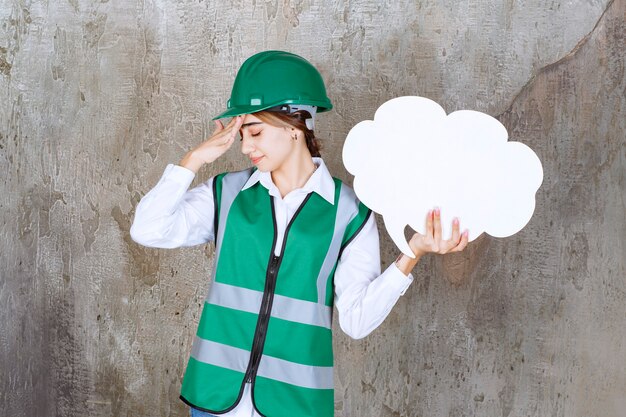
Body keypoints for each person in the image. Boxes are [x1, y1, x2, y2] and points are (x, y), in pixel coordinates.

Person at [130, 50, 469, 417]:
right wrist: (193, 160)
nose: (245, 147)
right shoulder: (226, 194)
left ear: (296, 125)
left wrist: (411, 254)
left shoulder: (350, 213)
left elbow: (355, 321)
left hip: (295, 404)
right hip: (214, 397)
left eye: (255, 132)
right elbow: (148, 229)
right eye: (241, 134)